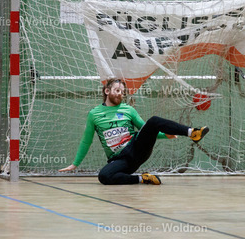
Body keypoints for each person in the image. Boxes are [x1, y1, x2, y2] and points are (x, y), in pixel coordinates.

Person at [58, 78, 209, 184]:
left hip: (137, 148)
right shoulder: (94, 114)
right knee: (104, 177)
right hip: (121, 160)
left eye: (122, 92)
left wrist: (165, 136)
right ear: (107, 91)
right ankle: (143, 179)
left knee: (153, 121)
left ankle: (192, 132)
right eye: (117, 90)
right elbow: (86, 140)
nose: (120, 94)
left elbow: (145, 129)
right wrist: (75, 164)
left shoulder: (128, 110)